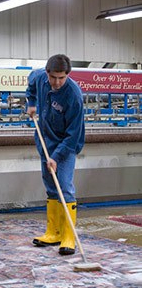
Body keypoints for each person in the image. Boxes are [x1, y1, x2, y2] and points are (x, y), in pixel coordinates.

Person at [26, 54, 85, 255]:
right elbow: (30, 83)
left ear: (67, 75)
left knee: (65, 187)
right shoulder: (39, 77)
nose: (57, 82)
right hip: (45, 140)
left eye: (62, 78)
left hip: (65, 146)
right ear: (48, 73)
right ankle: (54, 232)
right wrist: (31, 103)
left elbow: (73, 134)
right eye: (54, 78)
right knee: (51, 186)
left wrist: (56, 157)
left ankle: (68, 237)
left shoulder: (73, 96)